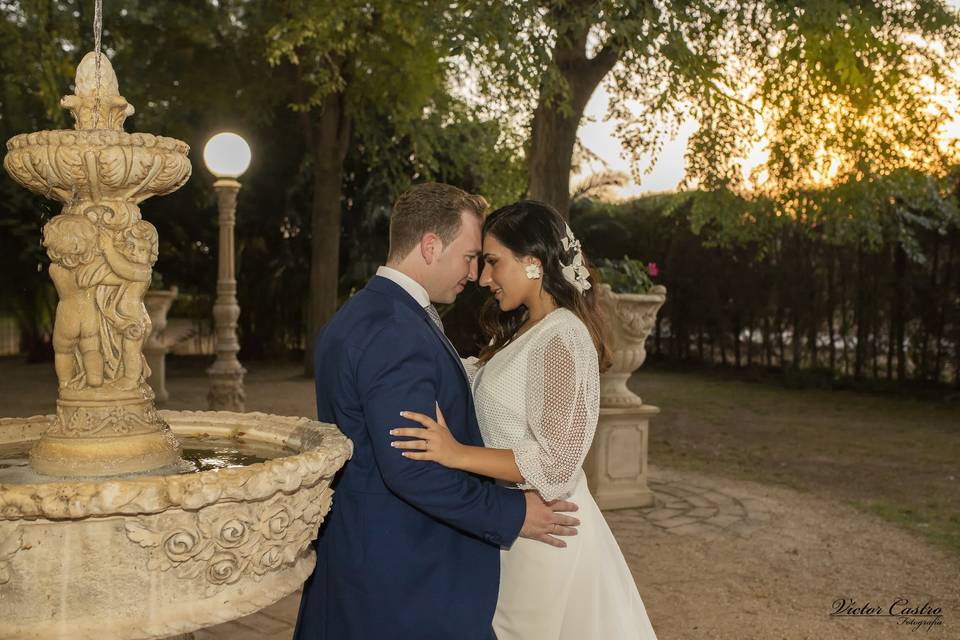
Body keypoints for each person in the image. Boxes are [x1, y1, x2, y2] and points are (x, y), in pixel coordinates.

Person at [294, 184, 582, 640]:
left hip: (365, 555)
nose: (475, 275)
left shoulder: (365, 313)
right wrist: (511, 514)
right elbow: (412, 469)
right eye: (470, 257)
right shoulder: (394, 329)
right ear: (430, 246)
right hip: (403, 575)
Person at [392, 200, 658, 639]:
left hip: (547, 530)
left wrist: (456, 454)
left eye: (493, 262)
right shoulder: (528, 330)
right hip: (519, 524)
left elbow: (555, 463)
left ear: (533, 263)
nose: (483, 278)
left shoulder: (562, 337)